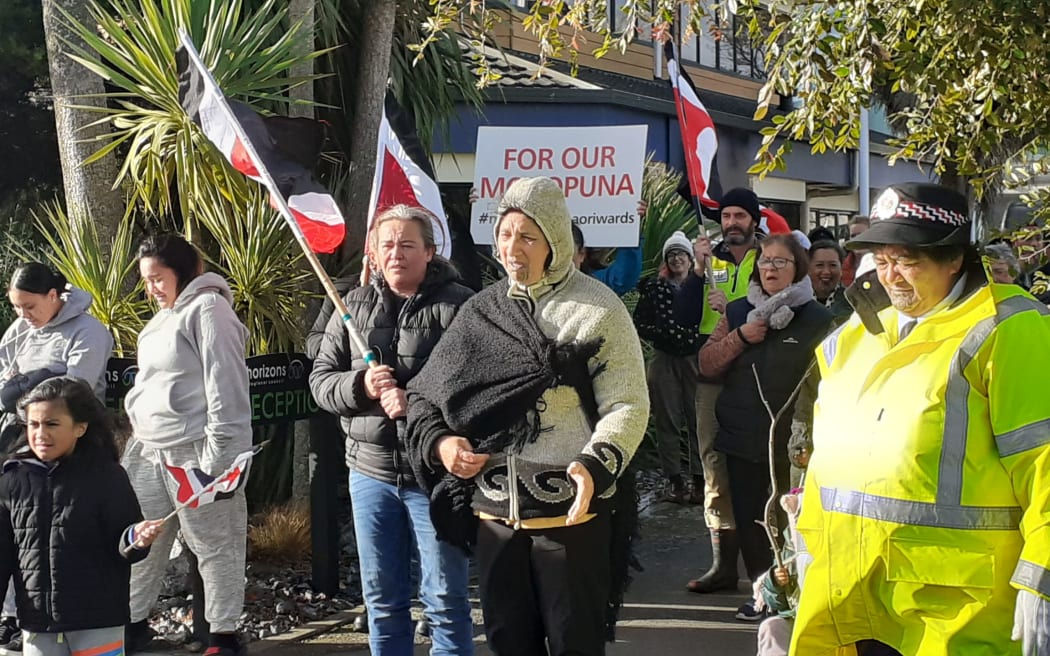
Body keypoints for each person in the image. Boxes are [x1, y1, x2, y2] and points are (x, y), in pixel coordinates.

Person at [791, 183, 1050, 656]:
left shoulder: (1008, 329)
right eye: (882, 260)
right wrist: (806, 541)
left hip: (955, 614)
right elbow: (825, 464)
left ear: (955, 259)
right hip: (850, 602)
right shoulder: (852, 339)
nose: (891, 277)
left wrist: (1042, 577)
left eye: (907, 260)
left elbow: (1045, 463)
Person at [407, 176, 649, 656]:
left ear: (555, 242)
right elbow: (427, 396)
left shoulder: (599, 310)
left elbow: (627, 402)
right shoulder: (481, 310)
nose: (511, 247)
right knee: (507, 642)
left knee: (573, 642)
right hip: (494, 517)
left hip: (572, 517)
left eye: (527, 236)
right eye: (504, 234)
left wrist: (594, 463)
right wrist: (442, 443)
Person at [310, 205, 475, 656]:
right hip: (370, 475)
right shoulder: (352, 306)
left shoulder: (460, 306)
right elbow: (321, 381)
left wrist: (417, 406)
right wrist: (360, 385)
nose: (396, 254)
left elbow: (476, 391)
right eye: (387, 245)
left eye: (407, 244)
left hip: (436, 478)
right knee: (382, 603)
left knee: (445, 602)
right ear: (375, 254)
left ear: (429, 251)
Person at [122, 234, 251, 656]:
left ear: (180, 272)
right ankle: (132, 624)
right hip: (148, 448)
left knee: (215, 545)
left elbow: (226, 388)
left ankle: (223, 635)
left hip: (195, 448)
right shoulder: (162, 318)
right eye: (146, 281)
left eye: (158, 278)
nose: (151, 289)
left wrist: (219, 461)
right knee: (143, 540)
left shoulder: (211, 310)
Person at [697, 234, 833, 620]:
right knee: (752, 518)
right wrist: (740, 337)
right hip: (741, 435)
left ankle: (798, 593)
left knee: (790, 518)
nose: (770, 269)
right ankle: (764, 592)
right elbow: (707, 364)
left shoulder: (819, 319)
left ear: (798, 268)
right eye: (765, 261)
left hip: (795, 442)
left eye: (780, 262)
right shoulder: (739, 311)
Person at [0, 377, 162, 656]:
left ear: (80, 428)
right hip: (38, 625)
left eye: (52, 424)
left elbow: (124, 542)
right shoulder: (12, 480)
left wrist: (138, 539)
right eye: (33, 424)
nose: (40, 433)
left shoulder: (107, 476)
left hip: (99, 622)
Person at [0, 263, 113, 653]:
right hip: (19, 441)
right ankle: (14, 615)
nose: (23, 316)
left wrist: (28, 386)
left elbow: (74, 390)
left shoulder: (89, 331)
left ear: (54, 296)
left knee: (61, 535)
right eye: (16, 307)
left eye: (29, 306)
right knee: (18, 532)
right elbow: (5, 383)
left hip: (72, 443)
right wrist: (28, 384)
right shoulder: (18, 331)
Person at [673, 187, 764, 594]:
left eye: (739, 216)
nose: (731, 223)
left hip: (756, 371)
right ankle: (723, 566)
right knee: (713, 463)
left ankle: (770, 565)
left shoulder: (771, 257)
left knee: (761, 462)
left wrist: (735, 307)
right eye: (726, 216)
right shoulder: (710, 261)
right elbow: (684, 315)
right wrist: (696, 272)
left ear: (754, 220)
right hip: (711, 373)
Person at [632, 231, 703, 503]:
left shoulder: (701, 285)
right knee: (667, 420)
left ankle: (698, 480)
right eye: (671, 254)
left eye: (681, 253)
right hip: (664, 359)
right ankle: (674, 480)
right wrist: (661, 333)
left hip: (694, 358)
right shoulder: (654, 288)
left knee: (698, 419)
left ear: (689, 257)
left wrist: (696, 339)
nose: (676, 259)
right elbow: (639, 322)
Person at [808, 240, 852, 320]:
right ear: (808, 268)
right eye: (819, 265)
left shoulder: (852, 302)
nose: (826, 271)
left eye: (833, 265)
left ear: (841, 268)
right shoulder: (798, 302)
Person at [840, 215, 870, 286]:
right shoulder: (841, 266)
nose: (857, 239)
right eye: (853, 236)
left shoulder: (883, 265)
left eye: (861, 235)